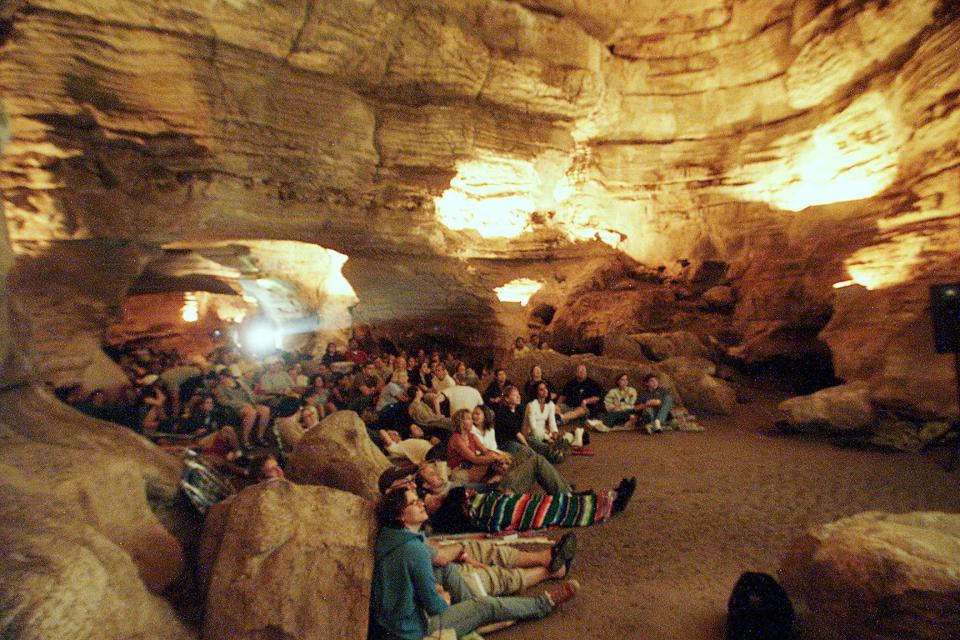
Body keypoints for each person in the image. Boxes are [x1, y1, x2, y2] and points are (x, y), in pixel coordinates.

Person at [369, 488, 579, 640]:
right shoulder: (412, 550)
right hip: (412, 630)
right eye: (413, 503)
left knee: (448, 570)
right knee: (486, 605)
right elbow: (435, 606)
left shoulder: (393, 537)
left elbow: (434, 565)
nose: (421, 503)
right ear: (400, 515)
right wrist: (444, 598)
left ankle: (477, 617)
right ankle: (543, 604)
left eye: (418, 499)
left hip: (400, 614)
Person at [420, 476, 637, 534]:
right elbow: (459, 501)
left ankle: (606, 497)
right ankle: (608, 506)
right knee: (550, 512)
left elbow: (462, 493)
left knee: (549, 501)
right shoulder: (441, 520)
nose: (434, 498)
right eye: (428, 501)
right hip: (495, 514)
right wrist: (447, 497)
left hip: (496, 501)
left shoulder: (447, 503)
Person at [446, 409, 511, 485]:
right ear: (461, 422)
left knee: (495, 457)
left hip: (472, 467)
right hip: (460, 471)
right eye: (469, 419)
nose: (472, 422)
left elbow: (485, 450)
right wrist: (495, 457)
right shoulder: (456, 439)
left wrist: (499, 456)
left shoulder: (472, 436)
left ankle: (500, 478)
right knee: (491, 460)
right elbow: (474, 459)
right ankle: (498, 479)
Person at [214, 369, 271, 448]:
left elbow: (252, 396)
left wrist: (267, 397)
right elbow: (224, 401)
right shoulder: (220, 388)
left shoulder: (241, 383)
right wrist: (243, 404)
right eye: (221, 378)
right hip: (236, 408)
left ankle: (260, 436)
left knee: (266, 410)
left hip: (250, 404)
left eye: (225, 378)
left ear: (230, 377)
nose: (223, 380)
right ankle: (245, 440)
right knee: (251, 413)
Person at [493, 385, 527, 454]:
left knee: (536, 444)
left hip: (518, 439)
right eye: (515, 395)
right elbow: (516, 432)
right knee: (528, 453)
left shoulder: (520, 409)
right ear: (507, 398)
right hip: (506, 443)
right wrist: (527, 445)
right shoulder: (502, 412)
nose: (518, 397)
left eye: (519, 394)